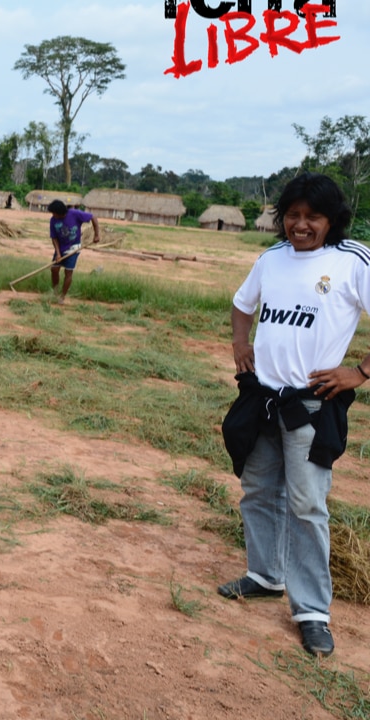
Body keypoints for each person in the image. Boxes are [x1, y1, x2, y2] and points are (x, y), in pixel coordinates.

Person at [218, 172, 366, 659]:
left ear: (331, 220)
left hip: (311, 403)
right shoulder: (271, 259)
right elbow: (243, 306)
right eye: (292, 216)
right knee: (258, 490)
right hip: (263, 398)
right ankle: (265, 574)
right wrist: (241, 342)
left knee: (307, 505)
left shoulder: (351, 261)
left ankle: (312, 612)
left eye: (312, 217)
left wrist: (360, 371)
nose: (301, 226)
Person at [46, 198, 100, 303]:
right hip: (60, 248)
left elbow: (93, 217)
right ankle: (55, 293)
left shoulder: (74, 214)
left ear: (60, 212)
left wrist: (97, 234)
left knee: (68, 272)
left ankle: (62, 297)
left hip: (74, 248)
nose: (53, 215)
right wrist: (57, 253)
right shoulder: (53, 220)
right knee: (54, 269)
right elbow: (54, 238)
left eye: (54, 213)